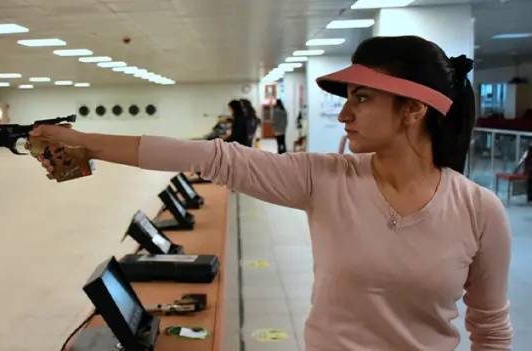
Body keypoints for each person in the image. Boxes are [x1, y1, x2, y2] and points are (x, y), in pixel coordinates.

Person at [29, 36, 512, 350]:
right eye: (347, 101)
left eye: (362, 98)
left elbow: (490, 330)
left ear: (414, 110)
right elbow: (215, 158)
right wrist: (86, 142)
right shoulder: (323, 179)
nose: (345, 115)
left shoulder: (479, 211)